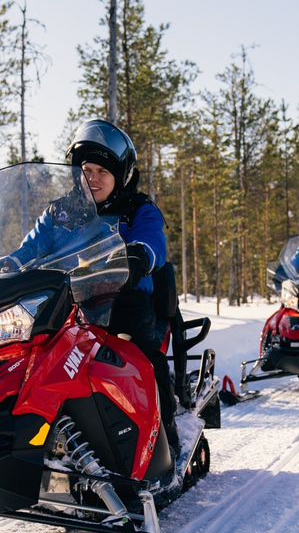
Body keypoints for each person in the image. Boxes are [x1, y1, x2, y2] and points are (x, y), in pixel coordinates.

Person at [5, 119, 180, 453]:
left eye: (102, 170)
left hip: (122, 303)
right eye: (86, 169)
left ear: (121, 176)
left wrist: (138, 256)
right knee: (25, 358)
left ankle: (166, 441)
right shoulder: (60, 212)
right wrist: (9, 263)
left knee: (142, 360)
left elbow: (152, 240)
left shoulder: (138, 210)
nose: (93, 177)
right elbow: (30, 248)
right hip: (64, 306)